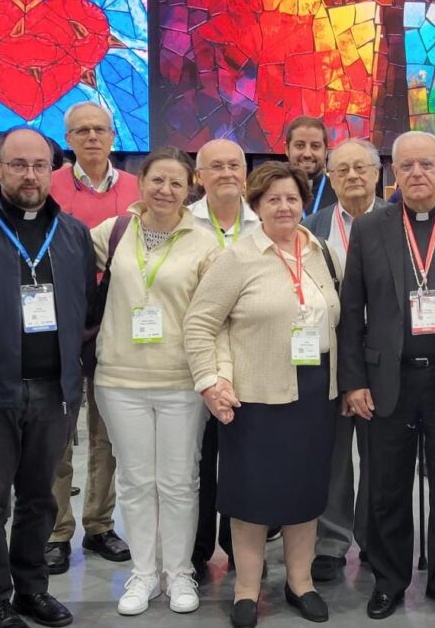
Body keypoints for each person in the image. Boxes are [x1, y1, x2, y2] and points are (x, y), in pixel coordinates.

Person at [339, 131, 435, 620]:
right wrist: (353, 381)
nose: (416, 174)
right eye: (406, 166)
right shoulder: (370, 228)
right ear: (393, 173)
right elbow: (351, 311)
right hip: (389, 380)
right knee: (387, 489)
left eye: (426, 165)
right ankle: (389, 581)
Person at [184, 161, 341, 627]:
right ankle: (247, 589)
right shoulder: (237, 257)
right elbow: (200, 323)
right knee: (251, 496)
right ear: (256, 205)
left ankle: (301, 582)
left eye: (292, 198)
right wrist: (211, 381)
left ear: (304, 202)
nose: (285, 206)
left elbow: (340, 316)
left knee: (306, 492)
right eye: (273, 199)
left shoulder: (321, 251)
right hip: (253, 396)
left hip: (315, 391)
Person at [0, 127, 93, 628]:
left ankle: (31, 588)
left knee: (41, 499)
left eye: (41, 165)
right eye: (19, 165)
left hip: (55, 391)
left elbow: (85, 308)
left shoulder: (74, 233)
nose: (31, 175)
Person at [89, 147, 221, 616]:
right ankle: (143, 573)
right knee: (136, 480)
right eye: (157, 181)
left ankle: (180, 571)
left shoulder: (204, 242)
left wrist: (213, 376)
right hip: (118, 379)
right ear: (140, 182)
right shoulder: (113, 232)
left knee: (180, 481)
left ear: (190, 190)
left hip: (182, 381)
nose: (165, 190)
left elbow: (213, 317)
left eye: (176, 184)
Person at [46, 101, 138, 574]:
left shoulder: (138, 190)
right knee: (58, 435)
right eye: (81, 131)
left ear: (112, 134)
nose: (92, 138)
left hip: (117, 329)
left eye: (100, 129)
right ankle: (57, 531)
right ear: (69, 138)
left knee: (108, 435)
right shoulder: (49, 185)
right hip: (60, 329)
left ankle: (100, 525)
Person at [303, 138, 387, 581]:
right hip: (329, 356)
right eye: (343, 170)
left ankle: (375, 538)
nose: (353, 176)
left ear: (378, 174)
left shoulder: (398, 223)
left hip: (384, 357)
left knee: (380, 454)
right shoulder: (310, 227)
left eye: (362, 168)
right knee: (332, 455)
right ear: (331, 178)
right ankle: (331, 542)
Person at [189, 138, 262, 577]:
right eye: (215, 166)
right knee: (198, 461)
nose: (227, 174)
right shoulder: (185, 222)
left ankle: (242, 551)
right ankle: (195, 553)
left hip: (251, 362)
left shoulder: (263, 222)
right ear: (199, 177)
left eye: (235, 165)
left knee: (244, 460)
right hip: (197, 360)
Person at [286, 116, 337, 215]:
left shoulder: (340, 192)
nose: (307, 154)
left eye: (315, 146)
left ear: (326, 151)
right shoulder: (271, 193)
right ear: (287, 149)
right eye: (300, 145)